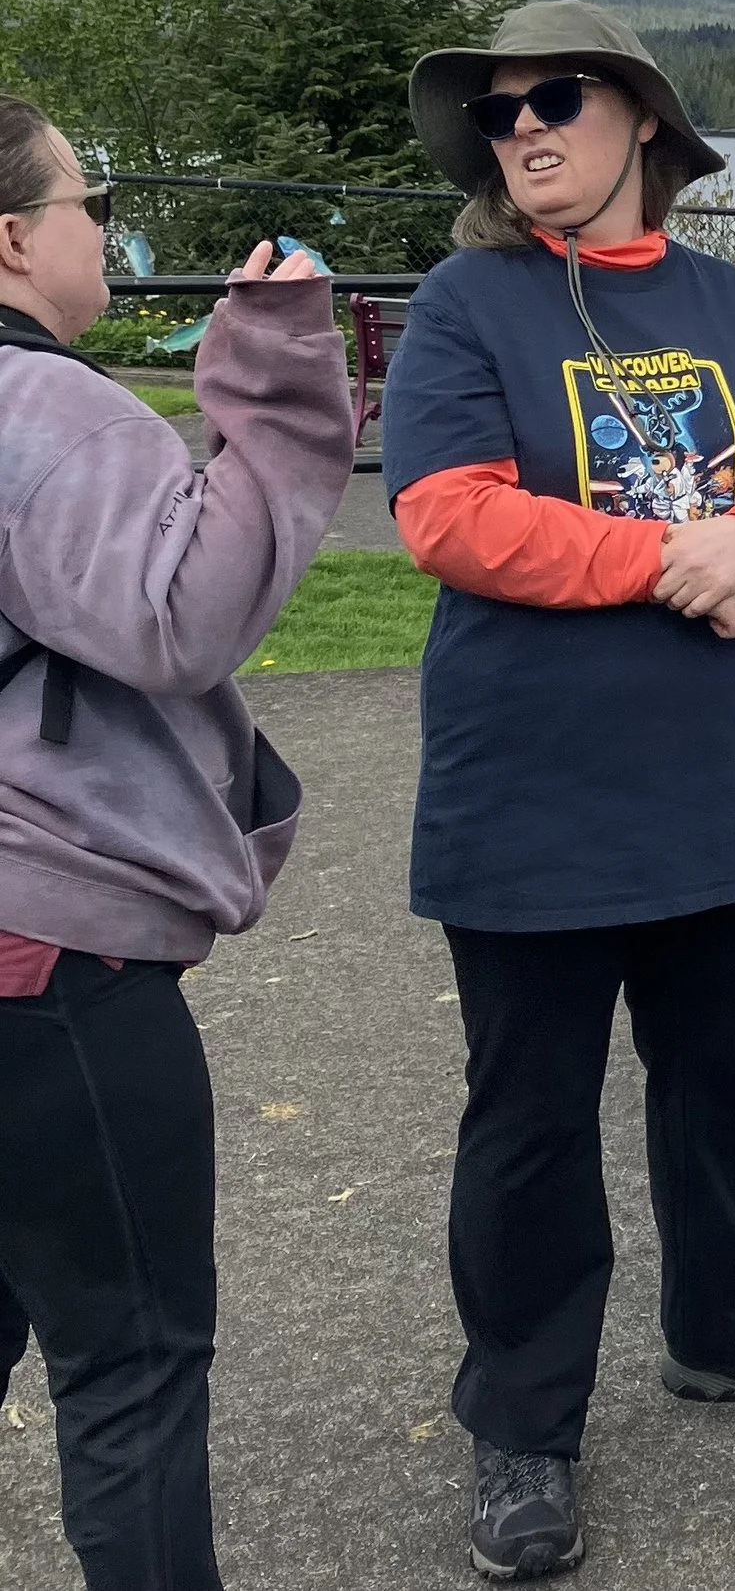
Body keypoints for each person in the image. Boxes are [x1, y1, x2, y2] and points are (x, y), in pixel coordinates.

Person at [385, 1, 735, 1582]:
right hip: (534, 796)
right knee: (530, 1122)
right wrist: (688, 558)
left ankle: (731, 1331)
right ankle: (525, 1422)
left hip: (722, 787)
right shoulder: (467, 304)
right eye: (499, 113)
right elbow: (451, 517)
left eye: (556, 99)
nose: (522, 129)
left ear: (644, 121)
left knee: (724, 1083)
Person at [0, 96, 350, 1590]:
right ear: (12, 237)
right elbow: (185, 615)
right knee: (132, 1356)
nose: (105, 227)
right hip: (47, 962)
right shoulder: (45, 408)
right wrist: (275, 364)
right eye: (87, 202)